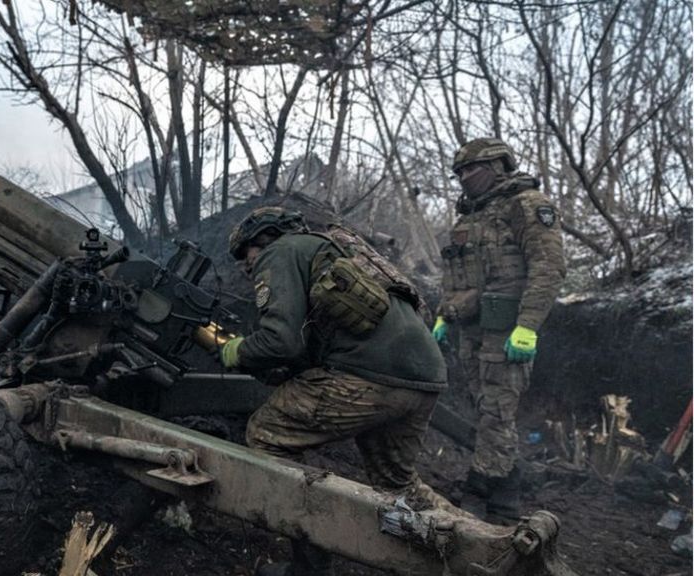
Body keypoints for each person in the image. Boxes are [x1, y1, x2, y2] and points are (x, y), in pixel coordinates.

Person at [221, 207, 453, 576]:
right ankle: (479, 550)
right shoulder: (334, 249)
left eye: (245, 256)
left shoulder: (279, 252)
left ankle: (308, 567)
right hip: (423, 377)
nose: (246, 267)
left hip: (369, 377)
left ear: (260, 240)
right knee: (398, 484)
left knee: (267, 435)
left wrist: (236, 350)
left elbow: (281, 341)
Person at [432, 137, 565, 524]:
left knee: (495, 414)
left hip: (506, 335)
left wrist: (527, 327)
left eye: (471, 168)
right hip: (471, 334)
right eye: (458, 171)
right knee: (486, 412)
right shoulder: (469, 217)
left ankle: (484, 499)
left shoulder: (526, 206)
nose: (463, 177)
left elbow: (548, 268)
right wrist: (445, 315)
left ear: (498, 166)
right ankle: (505, 494)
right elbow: (455, 276)